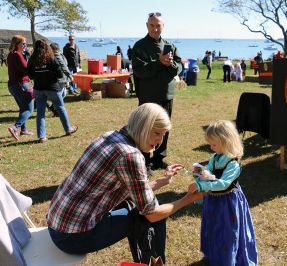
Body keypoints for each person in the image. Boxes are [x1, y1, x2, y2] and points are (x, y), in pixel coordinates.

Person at [47, 103, 204, 264]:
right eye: (157, 133)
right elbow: (152, 213)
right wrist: (188, 199)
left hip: (59, 224)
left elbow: (134, 192)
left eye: (163, 134)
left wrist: (161, 181)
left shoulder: (110, 136)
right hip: (72, 237)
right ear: (143, 127)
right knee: (149, 217)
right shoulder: (130, 156)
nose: (160, 141)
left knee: (138, 209)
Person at [187, 120, 258, 265]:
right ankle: (214, 255)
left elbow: (224, 183)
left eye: (214, 144)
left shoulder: (233, 163)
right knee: (213, 228)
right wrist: (202, 174)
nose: (211, 148)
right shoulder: (215, 157)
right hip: (213, 200)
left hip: (228, 202)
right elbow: (211, 174)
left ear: (226, 142)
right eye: (210, 144)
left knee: (228, 233)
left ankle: (228, 260)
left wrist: (202, 187)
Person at [131, 12, 182, 170]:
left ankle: (159, 159)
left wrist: (170, 64)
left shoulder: (170, 46)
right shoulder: (139, 46)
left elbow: (178, 68)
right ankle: (144, 162)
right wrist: (159, 62)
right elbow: (139, 71)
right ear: (147, 26)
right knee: (145, 129)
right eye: (152, 25)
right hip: (148, 96)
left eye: (158, 25)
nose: (155, 29)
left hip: (166, 95)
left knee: (163, 129)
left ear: (163, 26)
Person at [27, 39, 78, 143]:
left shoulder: (32, 60)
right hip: (52, 88)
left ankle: (42, 137)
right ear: (47, 47)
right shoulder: (51, 57)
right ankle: (68, 129)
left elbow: (30, 75)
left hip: (39, 88)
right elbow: (59, 74)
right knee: (61, 108)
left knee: (40, 113)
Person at [6, 35, 34, 140]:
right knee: (28, 109)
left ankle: (23, 130)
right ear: (17, 44)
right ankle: (15, 127)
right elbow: (25, 68)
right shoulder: (18, 55)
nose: (25, 45)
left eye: (25, 43)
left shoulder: (10, 55)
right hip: (21, 84)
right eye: (23, 43)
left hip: (12, 86)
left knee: (23, 108)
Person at [49, 43, 73, 116]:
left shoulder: (59, 54)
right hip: (60, 78)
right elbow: (63, 66)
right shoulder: (56, 55)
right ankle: (56, 110)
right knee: (60, 95)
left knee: (63, 94)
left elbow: (65, 65)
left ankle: (53, 107)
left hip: (63, 78)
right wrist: (69, 75)